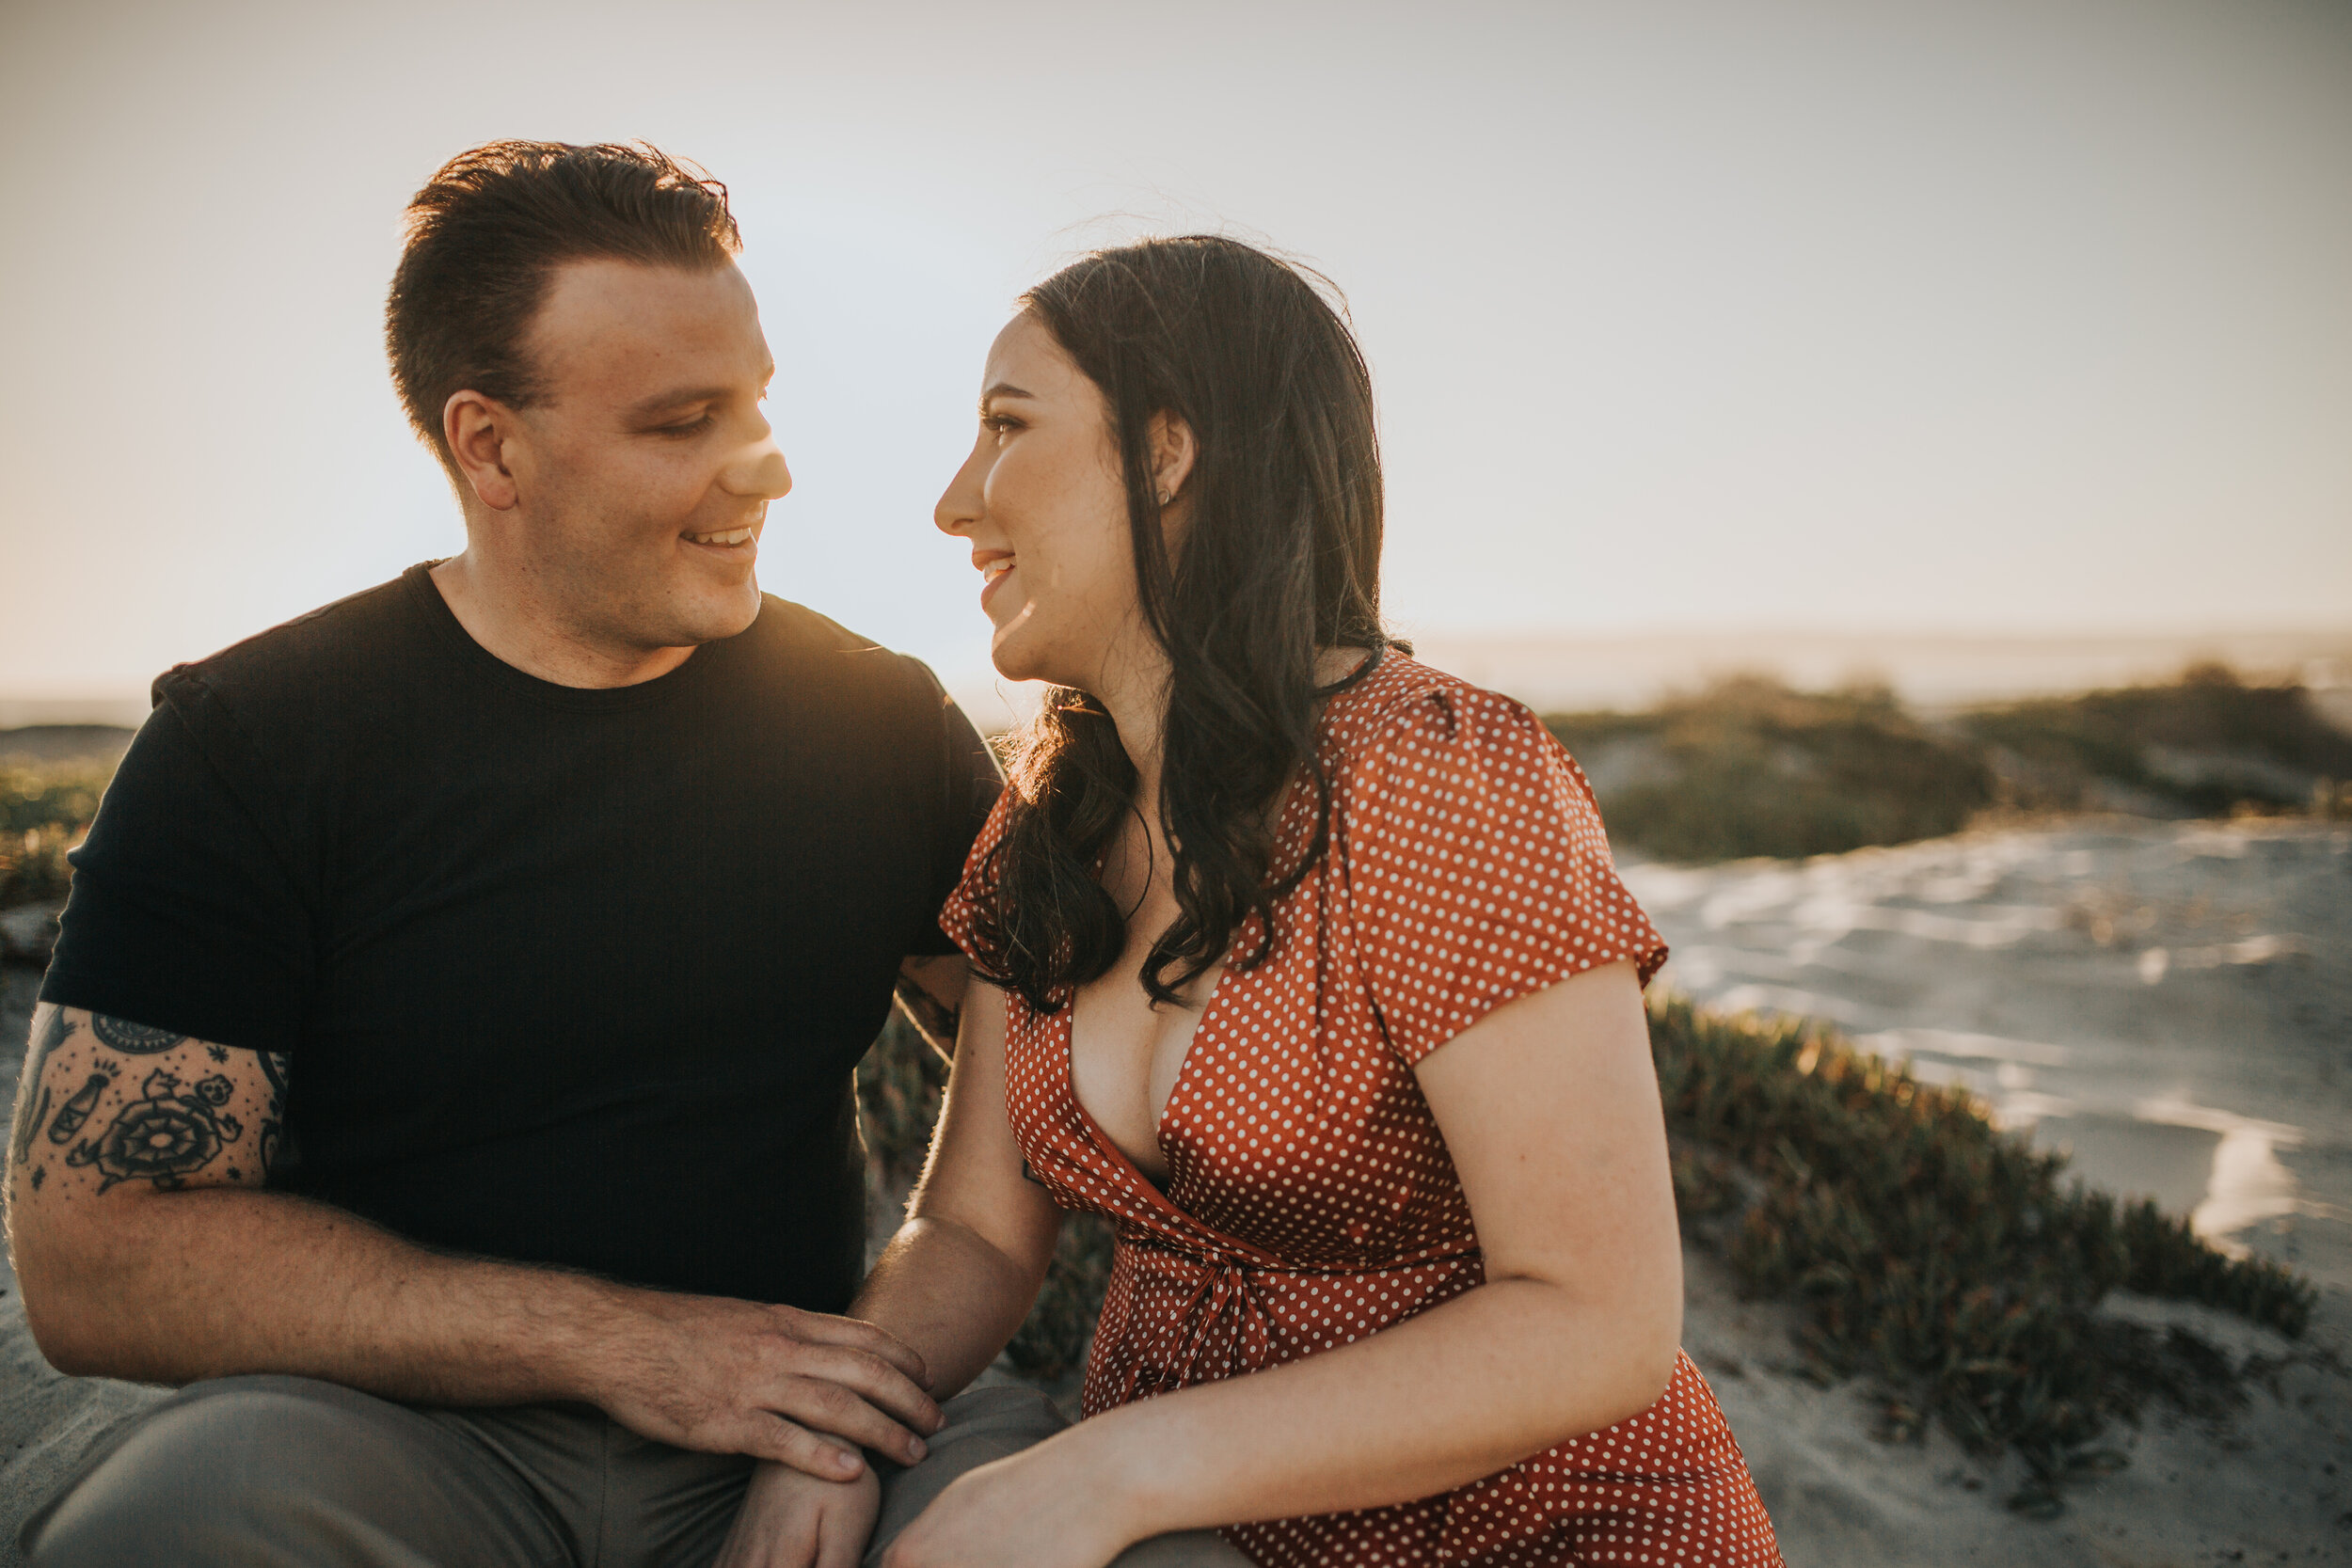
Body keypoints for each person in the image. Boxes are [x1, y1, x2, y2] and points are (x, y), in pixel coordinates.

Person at [7, 140, 998, 1567]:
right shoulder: (253, 745)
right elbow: (96, 1259)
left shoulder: (878, 724)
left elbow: (1061, 1083)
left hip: (808, 1422)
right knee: (165, 1537)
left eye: (759, 403)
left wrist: (848, 1397)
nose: (764, 466)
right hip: (378, 1435)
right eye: (682, 423)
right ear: (492, 446)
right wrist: (612, 1342)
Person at [736, 236, 1785, 1567]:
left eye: (1007, 427)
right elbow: (973, 1230)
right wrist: (832, 1428)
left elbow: (1598, 1319)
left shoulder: (1443, 777)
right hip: (1191, 1533)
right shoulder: (1050, 814)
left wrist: (1106, 1476)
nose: (956, 500)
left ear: (1168, 453)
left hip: (1532, 1533)